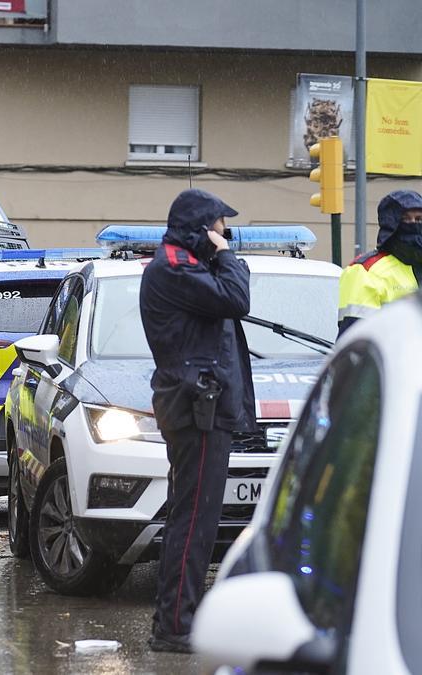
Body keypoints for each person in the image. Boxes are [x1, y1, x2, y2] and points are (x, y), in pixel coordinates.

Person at [139, 189, 256, 653]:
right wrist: (229, 257)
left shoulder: (180, 264)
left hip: (198, 403)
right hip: (196, 406)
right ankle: (174, 626)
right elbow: (236, 298)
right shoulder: (173, 267)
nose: (225, 235)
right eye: (219, 227)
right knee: (193, 520)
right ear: (200, 228)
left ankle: (177, 617)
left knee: (195, 518)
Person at [337, 190, 422, 334]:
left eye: (419, 219)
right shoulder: (365, 270)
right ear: (391, 223)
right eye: (406, 219)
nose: (413, 224)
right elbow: (357, 337)